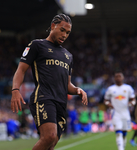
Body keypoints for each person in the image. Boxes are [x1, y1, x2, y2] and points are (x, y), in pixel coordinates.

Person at [11, 14, 88, 150]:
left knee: (50, 145)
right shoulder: (37, 45)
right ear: (53, 26)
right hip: (43, 98)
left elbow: (67, 85)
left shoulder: (68, 56)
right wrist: (15, 90)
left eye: (68, 33)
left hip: (61, 104)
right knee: (49, 136)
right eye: (62, 30)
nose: (65, 35)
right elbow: (21, 70)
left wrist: (77, 90)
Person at [104, 72, 135, 150]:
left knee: (124, 133)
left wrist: (131, 103)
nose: (118, 78)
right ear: (114, 78)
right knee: (118, 132)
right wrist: (108, 104)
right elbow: (106, 100)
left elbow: (133, 100)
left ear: (123, 78)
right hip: (115, 113)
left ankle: (122, 147)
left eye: (119, 76)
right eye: (116, 77)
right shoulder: (111, 89)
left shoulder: (128, 88)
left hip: (125, 113)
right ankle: (120, 149)